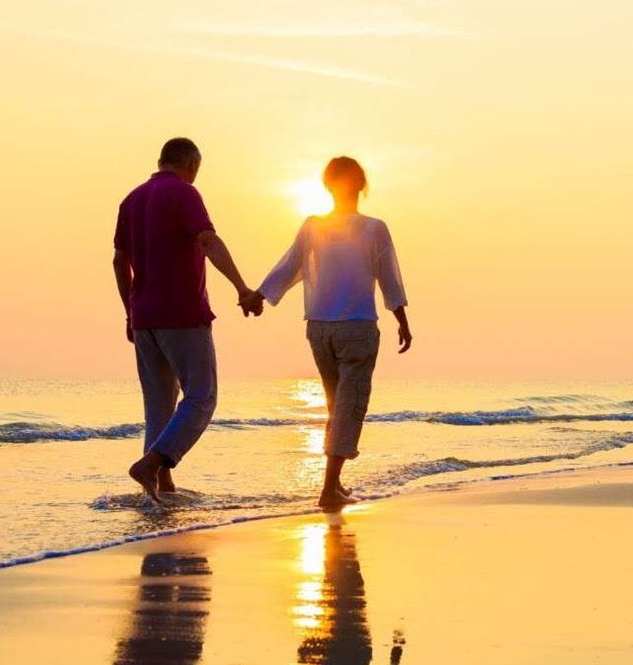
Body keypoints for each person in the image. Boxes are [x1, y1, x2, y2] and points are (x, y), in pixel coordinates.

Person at [247, 156, 412, 511]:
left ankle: (334, 485)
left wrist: (260, 296)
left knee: (337, 406)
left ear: (327, 185)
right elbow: (389, 276)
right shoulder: (373, 227)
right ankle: (327, 490)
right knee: (348, 407)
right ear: (362, 185)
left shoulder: (313, 225)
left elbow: (289, 265)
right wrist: (402, 319)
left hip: (319, 328)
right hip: (356, 327)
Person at [112, 137, 262, 504]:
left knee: (159, 404)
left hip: (144, 318)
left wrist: (129, 312)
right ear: (192, 164)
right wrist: (242, 286)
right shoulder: (184, 193)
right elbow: (208, 240)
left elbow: (119, 261)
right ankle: (152, 464)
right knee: (201, 397)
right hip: (182, 313)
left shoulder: (131, 199)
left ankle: (162, 486)